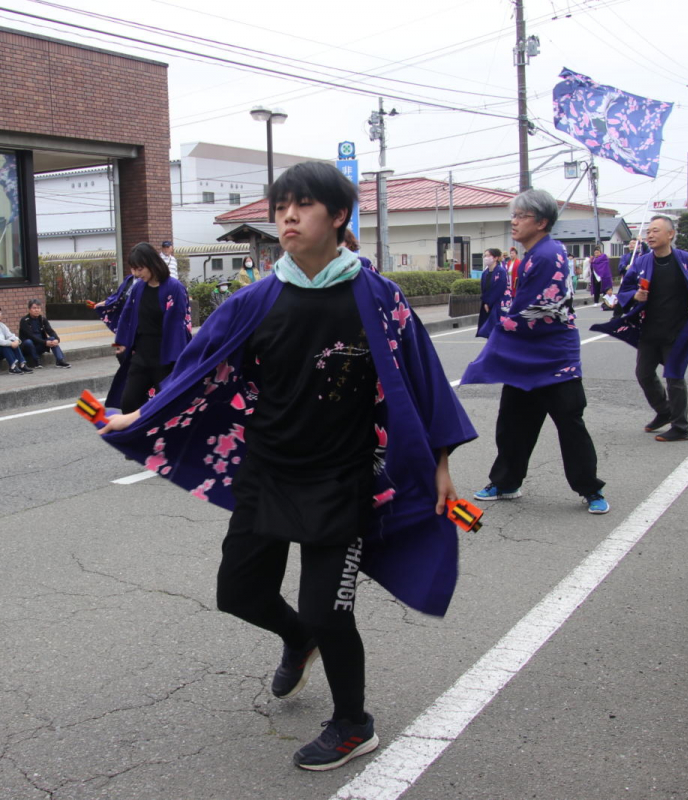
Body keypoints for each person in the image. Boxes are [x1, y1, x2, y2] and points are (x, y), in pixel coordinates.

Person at [96, 161, 476, 771]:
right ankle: (295, 638)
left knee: (331, 609)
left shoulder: (378, 299)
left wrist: (440, 462)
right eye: (281, 207)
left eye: (302, 205)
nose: (288, 217)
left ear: (338, 217)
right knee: (238, 593)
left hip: (341, 479)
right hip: (267, 471)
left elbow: (423, 381)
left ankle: (353, 723)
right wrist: (136, 417)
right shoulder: (256, 300)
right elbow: (196, 367)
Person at [461, 189, 608, 514]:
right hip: (525, 354)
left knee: (569, 422)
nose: (514, 222)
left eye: (521, 216)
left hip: (554, 355)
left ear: (541, 222)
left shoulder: (547, 254)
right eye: (513, 215)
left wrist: (504, 327)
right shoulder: (531, 255)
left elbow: (545, 307)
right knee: (513, 421)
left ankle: (590, 488)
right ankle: (507, 481)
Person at [592, 217, 688, 442]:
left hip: (677, 330)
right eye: (648, 231)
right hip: (649, 328)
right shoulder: (641, 263)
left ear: (670, 235)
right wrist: (634, 296)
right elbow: (625, 289)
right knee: (643, 373)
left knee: (674, 376)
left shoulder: (687, 261)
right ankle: (664, 410)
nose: (650, 235)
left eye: (656, 230)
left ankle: (681, 426)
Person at [104, 242, 192, 414]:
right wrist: (119, 344)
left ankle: (162, 439)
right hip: (142, 354)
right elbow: (126, 317)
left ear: (152, 263)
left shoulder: (174, 288)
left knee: (164, 407)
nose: (136, 274)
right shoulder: (139, 287)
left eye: (140, 269)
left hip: (166, 355)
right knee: (129, 401)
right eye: (134, 269)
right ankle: (135, 439)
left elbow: (180, 325)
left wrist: (177, 360)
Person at [18, 299, 70, 368]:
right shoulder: (24, 321)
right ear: (29, 309)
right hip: (27, 348)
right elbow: (30, 336)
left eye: (38, 308)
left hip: (40, 345)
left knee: (52, 339)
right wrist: (45, 342)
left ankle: (60, 360)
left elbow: (50, 331)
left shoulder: (42, 319)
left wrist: (57, 339)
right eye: (34, 308)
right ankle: (36, 362)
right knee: (29, 342)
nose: (37, 310)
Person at [478, 247, 508, 337]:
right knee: (488, 330)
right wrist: (485, 302)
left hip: (498, 303)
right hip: (486, 304)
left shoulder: (501, 272)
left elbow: (499, 289)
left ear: (495, 258)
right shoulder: (485, 273)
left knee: (497, 328)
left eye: (488, 255)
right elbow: (484, 289)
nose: (486, 258)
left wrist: (489, 303)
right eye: (485, 256)